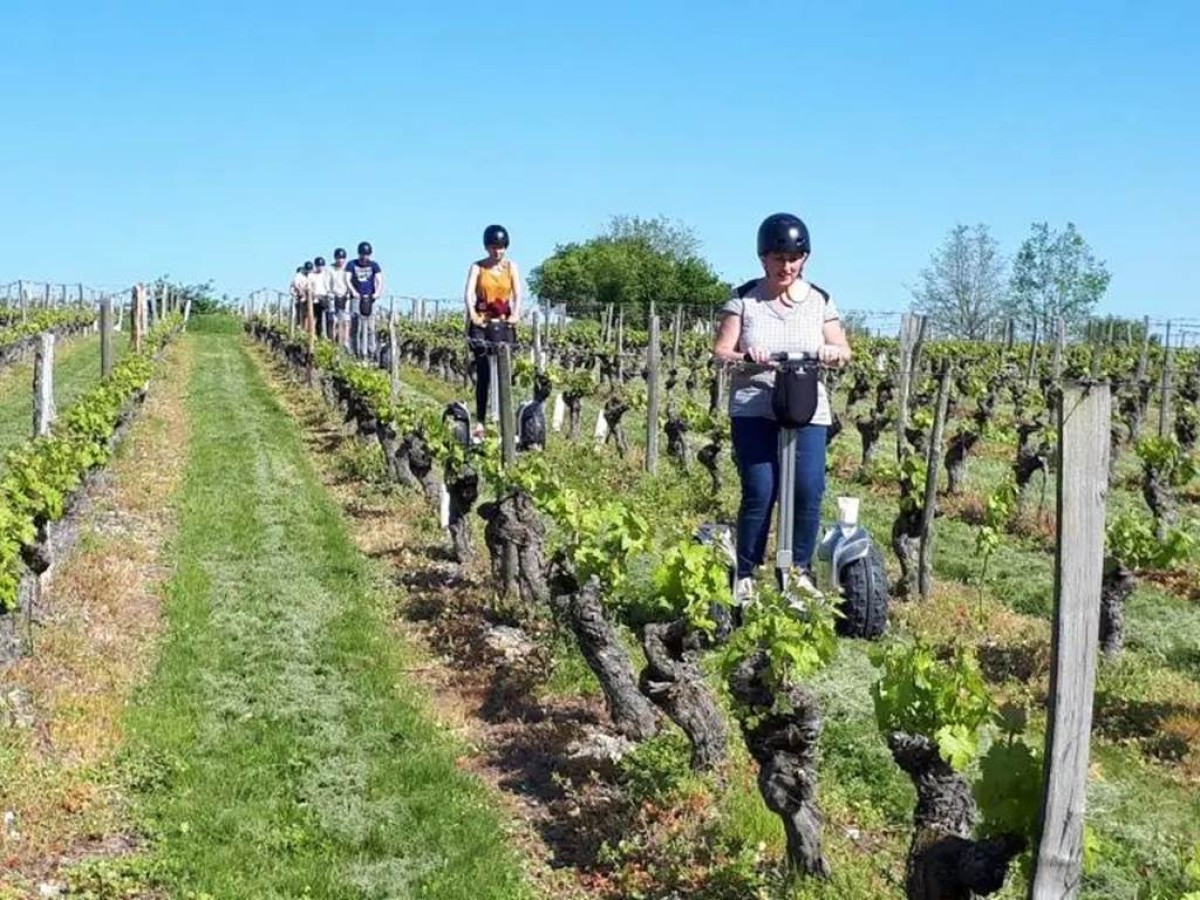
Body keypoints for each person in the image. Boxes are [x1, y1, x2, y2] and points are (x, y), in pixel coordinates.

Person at [712, 213, 851, 599]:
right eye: (778, 259)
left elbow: (844, 350)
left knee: (807, 487)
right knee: (760, 488)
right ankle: (746, 571)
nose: (786, 266)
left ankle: (798, 572)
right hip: (755, 404)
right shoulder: (744, 299)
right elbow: (721, 351)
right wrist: (745, 355)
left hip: (806, 405)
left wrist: (831, 352)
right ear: (763, 259)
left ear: (804, 258)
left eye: (794, 258)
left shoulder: (820, 300)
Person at [463, 224, 521, 437]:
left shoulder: (510, 267)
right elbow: (469, 293)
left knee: (503, 371)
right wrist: (473, 314)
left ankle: (502, 417)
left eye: (501, 247)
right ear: (487, 247)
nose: (498, 251)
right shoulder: (478, 267)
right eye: (494, 247)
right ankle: (480, 421)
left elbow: (517, 294)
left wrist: (515, 314)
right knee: (484, 372)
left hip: (504, 323)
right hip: (483, 324)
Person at [348, 240, 383, 360]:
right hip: (356, 298)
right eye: (363, 255)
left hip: (370, 299)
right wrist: (353, 291)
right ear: (359, 254)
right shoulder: (352, 264)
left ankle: (371, 351)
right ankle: (355, 351)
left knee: (370, 327)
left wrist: (377, 293)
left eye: (367, 255)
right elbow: (347, 279)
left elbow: (379, 280)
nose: (365, 257)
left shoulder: (374, 265)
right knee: (356, 326)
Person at [327, 247, 353, 347]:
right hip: (333, 296)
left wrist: (347, 293)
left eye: (342, 258)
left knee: (346, 320)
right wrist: (330, 293)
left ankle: (345, 341)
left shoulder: (347, 269)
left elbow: (350, 281)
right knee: (333, 320)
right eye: (338, 258)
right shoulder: (330, 269)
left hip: (345, 296)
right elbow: (327, 283)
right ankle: (332, 341)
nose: (340, 260)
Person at [308, 256, 330, 338]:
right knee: (317, 318)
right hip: (315, 298)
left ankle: (328, 336)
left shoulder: (326, 274)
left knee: (327, 318)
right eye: (318, 266)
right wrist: (313, 294)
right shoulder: (311, 275)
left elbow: (328, 285)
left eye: (321, 266)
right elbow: (309, 286)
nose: (320, 267)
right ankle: (317, 335)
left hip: (325, 297)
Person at [291, 261, 313, 329]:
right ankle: (298, 328)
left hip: (308, 298)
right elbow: (295, 284)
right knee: (299, 314)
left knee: (307, 315)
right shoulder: (299, 275)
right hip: (299, 298)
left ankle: (305, 330)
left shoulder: (310, 276)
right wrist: (300, 292)